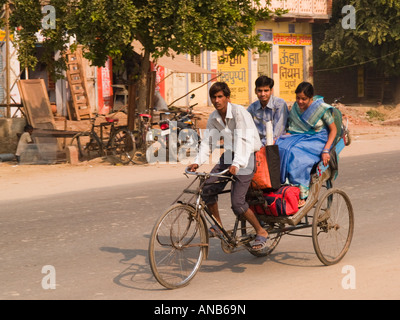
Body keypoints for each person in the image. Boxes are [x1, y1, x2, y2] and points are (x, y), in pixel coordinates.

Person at [186, 82, 269, 251]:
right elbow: (208, 143)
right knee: (207, 188)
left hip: (246, 156)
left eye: (220, 97)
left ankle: (261, 231)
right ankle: (217, 225)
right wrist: (197, 161)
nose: (217, 100)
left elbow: (243, 142)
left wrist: (237, 163)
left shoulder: (239, 113)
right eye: (214, 97)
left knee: (237, 203)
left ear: (227, 98)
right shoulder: (213, 117)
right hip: (230, 154)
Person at [276, 82, 337, 206]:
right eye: (298, 98)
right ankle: (283, 186)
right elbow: (293, 128)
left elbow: (333, 130)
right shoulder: (295, 107)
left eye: (304, 99)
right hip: (298, 137)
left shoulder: (321, 108)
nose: (300, 101)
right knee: (279, 147)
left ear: (311, 98)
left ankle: (301, 193)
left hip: (317, 139)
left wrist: (326, 150)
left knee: (297, 156)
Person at [247, 76, 288, 144]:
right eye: (260, 91)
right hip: (257, 143)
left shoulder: (280, 104)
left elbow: (278, 132)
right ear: (255, 91)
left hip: (276, 142)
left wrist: (263, 144)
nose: (263, 94)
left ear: (271, 91)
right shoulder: (252, 107)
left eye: (266, 91)